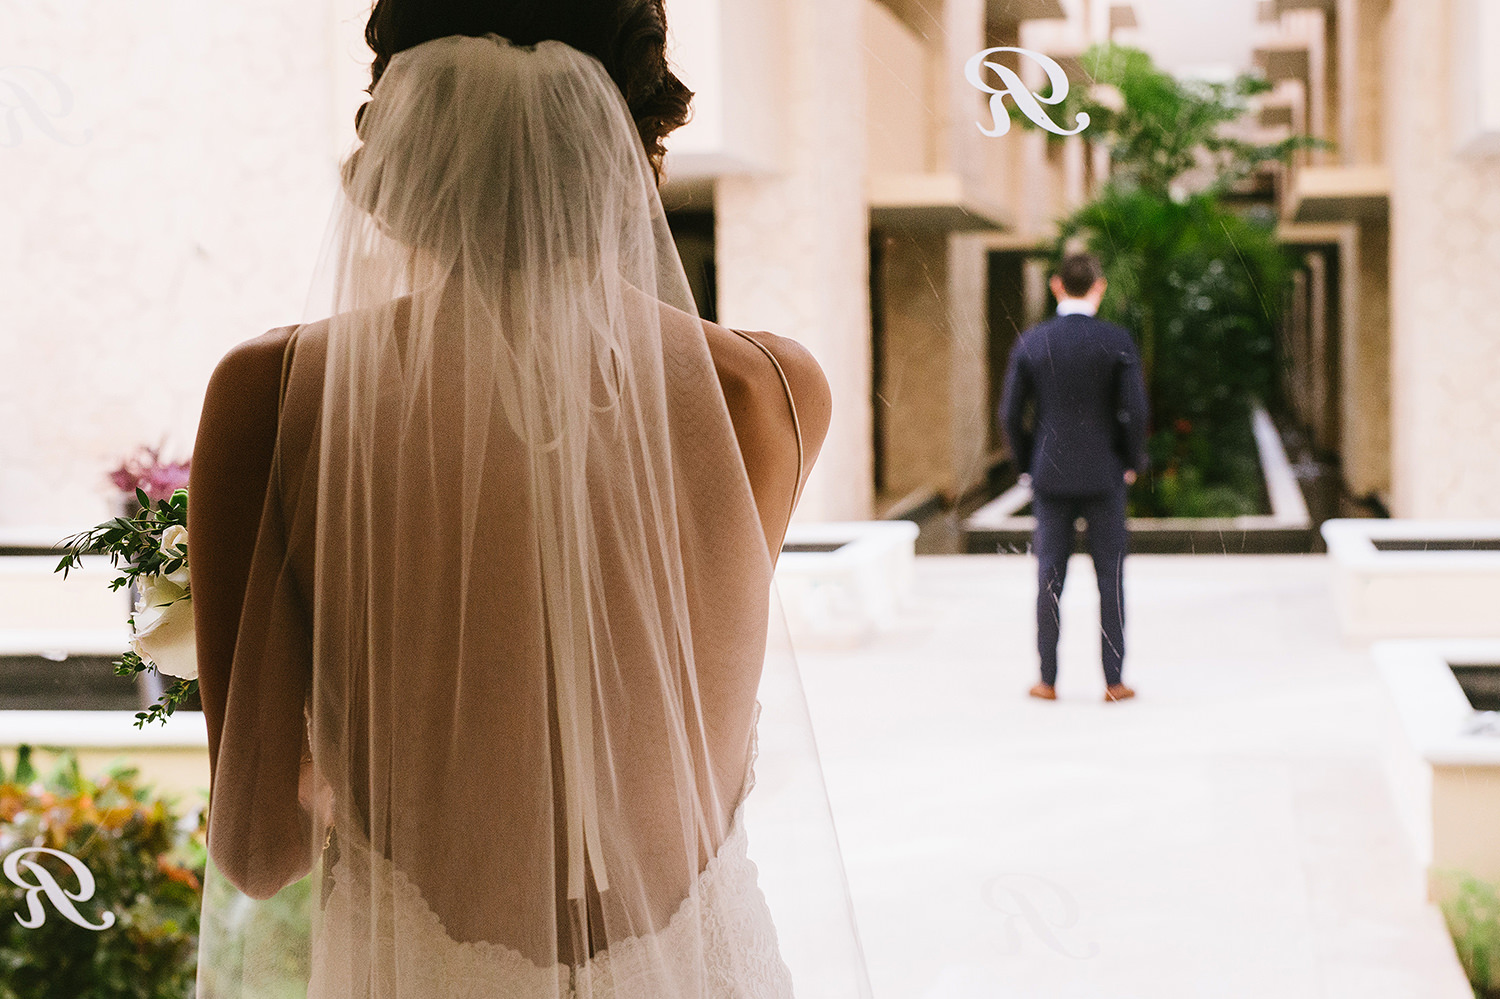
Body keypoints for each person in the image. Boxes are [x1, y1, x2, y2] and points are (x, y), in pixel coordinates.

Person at [187, 4, 858, 996]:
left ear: (400, 140)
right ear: (635, 137)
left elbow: (258, 850)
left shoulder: (275, 395)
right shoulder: (765, 391)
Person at [1000, 252, 1149, 704]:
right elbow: (1136, 412)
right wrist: (1130, 460)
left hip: (1050, 476)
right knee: (1110, 579)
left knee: (1048, 578)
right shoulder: (1116, 340)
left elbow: (1010, 415)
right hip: (1105, 475)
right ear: (1099, 287)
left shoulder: (1033, 341)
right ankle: (1114, 681)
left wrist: (1028, 463)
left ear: (1056, 286)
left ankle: (1047, 680)